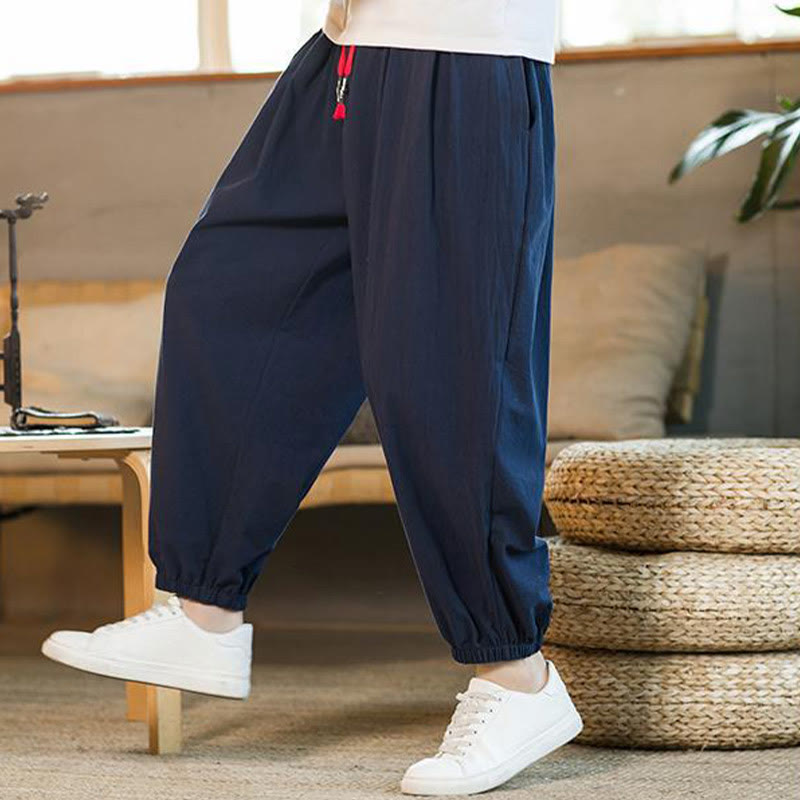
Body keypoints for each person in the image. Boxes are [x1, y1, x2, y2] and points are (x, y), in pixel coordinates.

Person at [41, 1, 583, 794]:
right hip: (348, 47)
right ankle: (205, 612)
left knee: (444, 368)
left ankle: (516, 675)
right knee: (231, 291)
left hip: (464, 53)